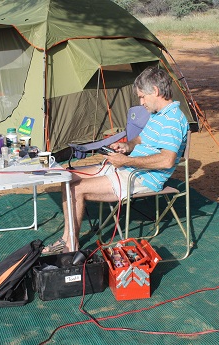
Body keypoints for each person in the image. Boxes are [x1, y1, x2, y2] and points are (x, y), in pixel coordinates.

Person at [42, 66, 189, 254]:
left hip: (144, 178)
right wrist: (127, 146)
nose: (141, 102)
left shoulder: (173, 120)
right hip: (129, 167)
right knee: (67, 177)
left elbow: (167, 160)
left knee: (76, 189)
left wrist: (125, 161)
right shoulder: (157, 115)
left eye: (142, 96)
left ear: (155, 91)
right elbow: (141, 139)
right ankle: (66, 238)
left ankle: (71, 247)